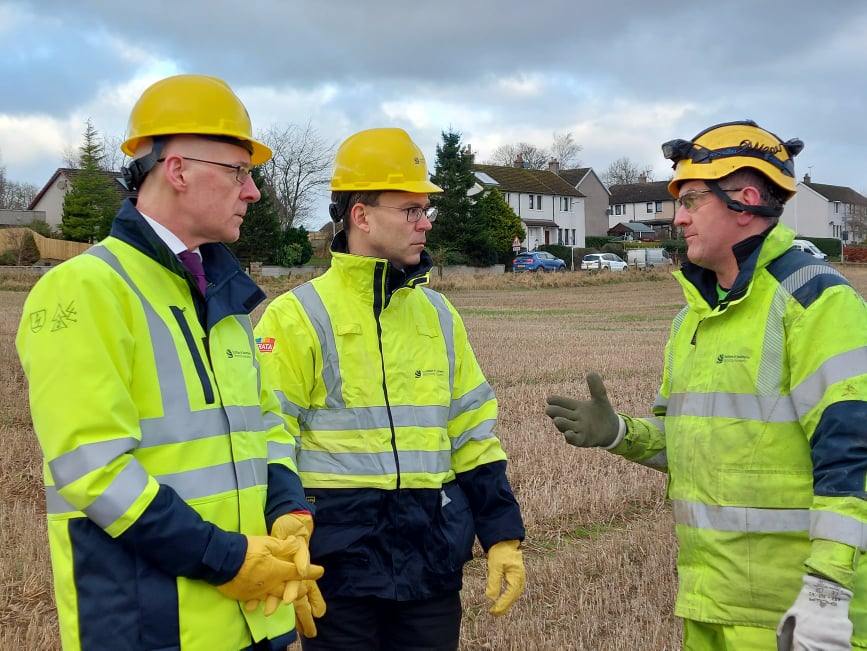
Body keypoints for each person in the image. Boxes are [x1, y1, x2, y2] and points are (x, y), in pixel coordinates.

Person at [16, 74, 323, 651]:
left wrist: (287, 509)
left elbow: (266, 430)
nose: (253, 192)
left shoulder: (225, 298)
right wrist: (227, 559)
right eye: (239, 171)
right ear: (178, 170)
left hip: (256, 616)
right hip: (152, 626)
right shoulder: (84, 289)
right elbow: (95, 472)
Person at [545, 120, 867, 650]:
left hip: (799, 620)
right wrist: (618, 434)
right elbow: (700, 444)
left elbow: (853, 455)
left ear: (745, 202)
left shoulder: (815, 303)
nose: (679, 217)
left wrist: (827, 592)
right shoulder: (692, 320)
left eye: (693, 199)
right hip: (709, 606)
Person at [253, 127, 527, 650]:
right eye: (410, 210)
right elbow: (269, 433)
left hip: (431, 561)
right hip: (338, 567)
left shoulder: (439, 316)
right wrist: (284, 525)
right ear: (361, 215)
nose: (425, 223)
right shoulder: (295, 317)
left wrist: (502, 534)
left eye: (427, 210)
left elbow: (472, 433)